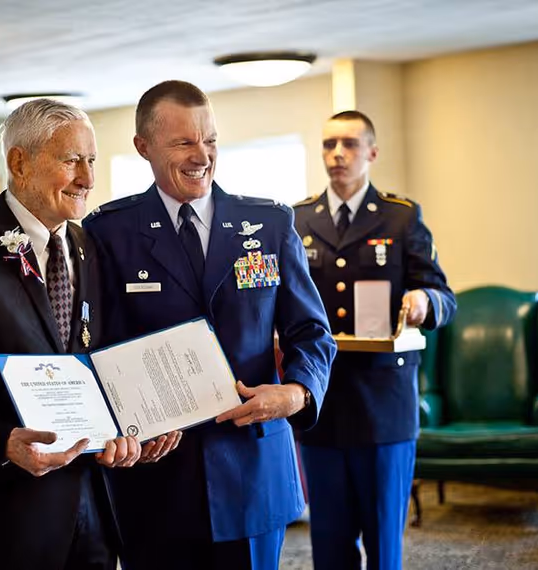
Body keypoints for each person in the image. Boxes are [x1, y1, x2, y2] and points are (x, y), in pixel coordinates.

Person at [0, 99, 171, 569]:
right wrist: (2, 442)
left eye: (92, 160)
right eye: (72, 160)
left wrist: (128, 427)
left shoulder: (88, 247)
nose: (88, 178)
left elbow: (96, 358)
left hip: (92, 516)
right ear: (19, 163)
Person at [83, 80, 336, 570]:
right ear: (144, 147)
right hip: (154, 477)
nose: (202, 156)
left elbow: (311, 332)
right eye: (183, 142)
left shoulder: (269, 223)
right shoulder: (108, 232)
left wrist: (297, 393)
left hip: (252, 469)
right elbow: (95, 347)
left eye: (211, 140)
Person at [293, 110, 457, 570]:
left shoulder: (400, 217)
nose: (337, 154)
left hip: (384, 405)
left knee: (384, 542)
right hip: (322, 403)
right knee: (329, 542)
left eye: (348, 143)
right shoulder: (298, 218)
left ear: (372, 152)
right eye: (329, 144)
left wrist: (424, 301)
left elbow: (444, 296)